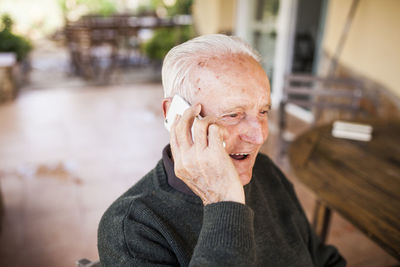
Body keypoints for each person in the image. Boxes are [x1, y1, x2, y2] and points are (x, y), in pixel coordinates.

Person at [97, 34, 346, 266]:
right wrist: (225, 203)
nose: (259, 136)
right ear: (173, 116)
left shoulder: (267, 171)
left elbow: (324, 260)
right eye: (233, 115)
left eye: (263, 112)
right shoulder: (132, 227)